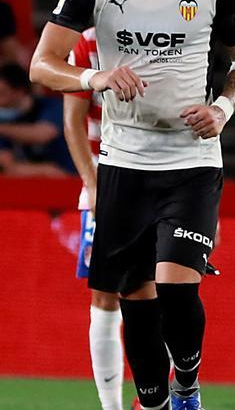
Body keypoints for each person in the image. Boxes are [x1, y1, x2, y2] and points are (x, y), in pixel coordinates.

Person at [29, 0, 235, 410]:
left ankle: (187, 383)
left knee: (178, 288)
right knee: (135, 299)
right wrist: (95, 78)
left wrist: (223, 107)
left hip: (192, 157)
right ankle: (154, 402)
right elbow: (43, 64)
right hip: (125, 160)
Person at [63, 28, 132, 410]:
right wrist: (93, 185)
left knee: (172, 290)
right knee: (105, 294)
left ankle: (164, 395)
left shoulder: (176, 29)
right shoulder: (88, 42)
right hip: (106, 179)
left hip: (165, 179)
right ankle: (111, 407)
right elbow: (73, 119)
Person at [0, 62, 73, 175]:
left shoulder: (51, 106)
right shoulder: (4, 121)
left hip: (70, 177)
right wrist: (45, 170)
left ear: (19, 91)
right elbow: (8, 165)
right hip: (30, 181)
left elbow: (44, 133)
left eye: (2, 93)